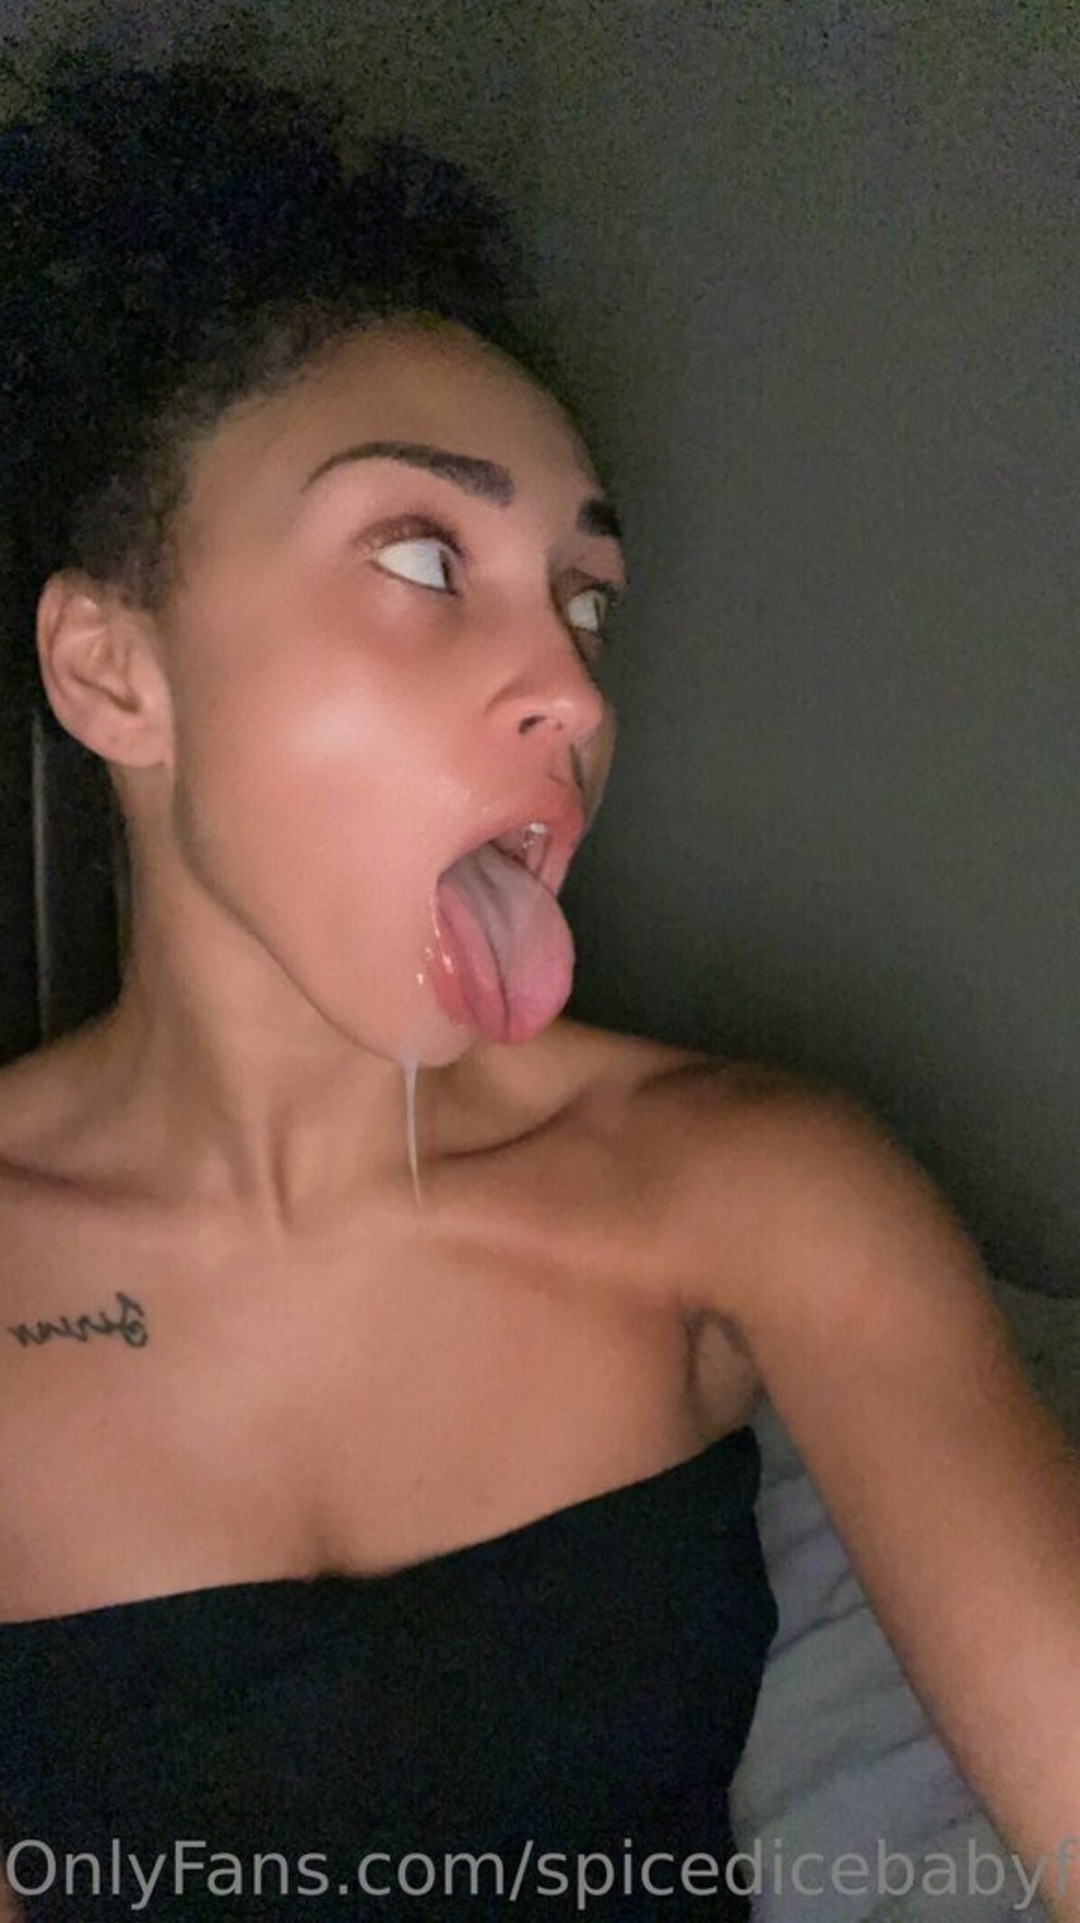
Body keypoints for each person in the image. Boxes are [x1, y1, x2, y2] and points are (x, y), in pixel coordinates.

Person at [0, 53, 1076, 1923]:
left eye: (584, 600)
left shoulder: (758, 1188)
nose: (575, 691)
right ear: (113, 673)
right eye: (425, 555)